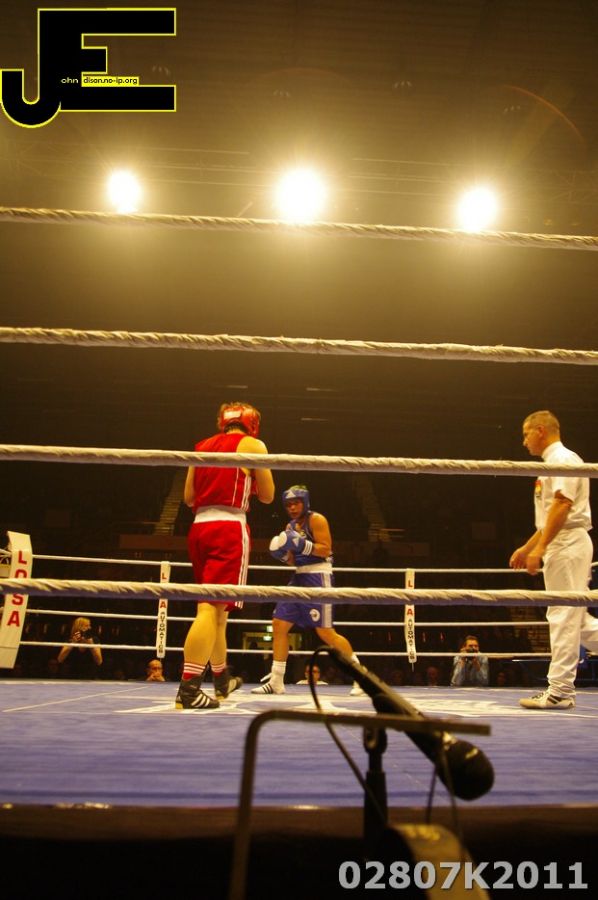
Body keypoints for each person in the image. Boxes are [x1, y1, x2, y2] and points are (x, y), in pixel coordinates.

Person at [176, 401, 275, 710]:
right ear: (251, 423)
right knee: (209, 609)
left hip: (199, 529)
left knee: (218, 612)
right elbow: (269, 496)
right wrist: (251, 480)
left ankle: (221, 680)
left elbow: (188, 497)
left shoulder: (201, 446)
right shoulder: (253, 445)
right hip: (228, 528)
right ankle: (188, 690)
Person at [510, 409, 598, 709]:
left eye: (526, 434)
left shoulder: (562, 459)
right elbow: (550, 517)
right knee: (580, 622)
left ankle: (560, 691)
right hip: (564, 542)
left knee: (563, 614)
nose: (524, 442)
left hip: (567, 544)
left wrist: (540, 549)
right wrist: (528, 547)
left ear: (541, 431)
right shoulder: (553, 463)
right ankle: (561, 689)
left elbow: (562, 506)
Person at [251, 484, 364, 696]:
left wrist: (303, 545)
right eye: (288, 505)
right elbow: (294, 560)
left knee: (325, 632)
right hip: (299, 576)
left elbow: (325, 549)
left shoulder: (317, 520)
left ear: (305, 502)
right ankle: (276, 681)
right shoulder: (290, 526)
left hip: (318, 576)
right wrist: (282, 556)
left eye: (296, 503)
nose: (292, 508)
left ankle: (360, 676)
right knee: (279, 625)